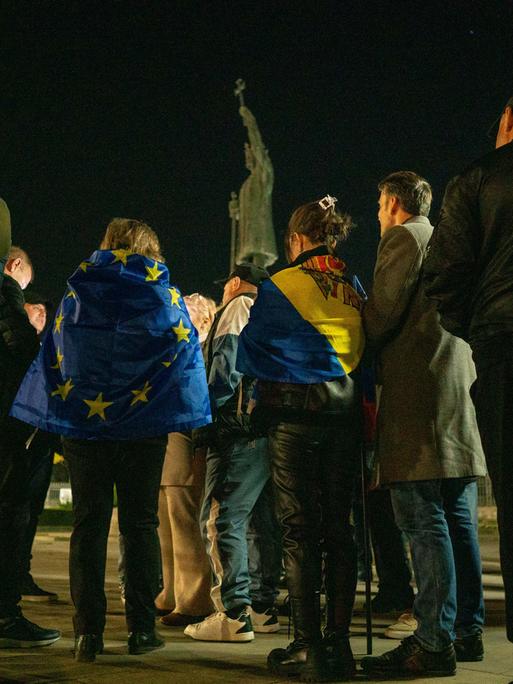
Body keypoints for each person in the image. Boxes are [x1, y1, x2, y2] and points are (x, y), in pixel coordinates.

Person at [10, 218, 212, 662]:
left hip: (86, 428)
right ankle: (141, 628)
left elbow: (57, 356)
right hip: (144, 427)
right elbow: (185, 356)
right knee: (140, 523)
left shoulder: (76, 294)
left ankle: (88, 634)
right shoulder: (165, 297)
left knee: (89, 523)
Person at [360, 172, 486, 679]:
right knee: (458, 518)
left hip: (418, 395)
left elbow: (382, 317)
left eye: (378, 205)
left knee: (422, 518)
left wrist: (356, 309)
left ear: (391, 203)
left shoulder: (404, 238)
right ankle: (465, 630)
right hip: (457, 390)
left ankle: (433, 639)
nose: (377, 215)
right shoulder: (452, 238)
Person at [237, 196, 365, 682]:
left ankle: (306, 645)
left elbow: (251, 348)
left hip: (295, 418)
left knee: (298, 531)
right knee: (340, 530)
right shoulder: (352, 285)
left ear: (295, 239)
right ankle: (340, 646)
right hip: (345, 418)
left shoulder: (283, 284)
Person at [423, 95, 513, 644]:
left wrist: (476, 327)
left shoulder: (479, 178)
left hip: (504, 341)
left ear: (507, 122)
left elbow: (445, 274)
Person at [184, 262, 282, 643]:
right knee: (259, 523)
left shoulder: (238, 307)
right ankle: (261, 606)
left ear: (237, 283)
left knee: (221, 520)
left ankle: (234, 612)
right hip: (263, 431)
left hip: (234, 433)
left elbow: (224, 371)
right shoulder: (272, 314)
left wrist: (202, 417)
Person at [0, 246, 60, 647]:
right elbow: (20, 352)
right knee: (11, 515)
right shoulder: (7, 293)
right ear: (15, 265)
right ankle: (6, 615)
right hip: (12, 426)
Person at [157, 293, 216, 626]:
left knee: (183, 519)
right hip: (168, 437)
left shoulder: (203, 347)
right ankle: (171, 592)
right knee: (167, 521)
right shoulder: (178, 344)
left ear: (205, 318)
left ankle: (193, 599)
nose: (185, 299)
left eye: (192, 302)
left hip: (186, 439)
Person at [18, 291, 60, 602]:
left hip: (42, 439)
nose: (42, 317)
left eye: (46, 314)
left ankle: (22, 572)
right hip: (21, 437)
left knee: (32, 510)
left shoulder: (45, 349)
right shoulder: (19, 349)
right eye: (36, 310)